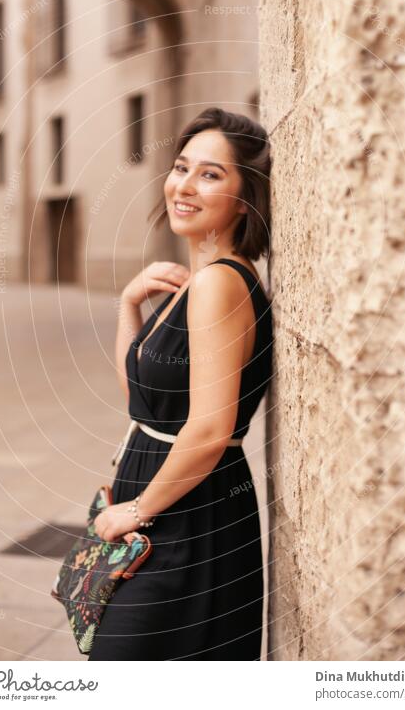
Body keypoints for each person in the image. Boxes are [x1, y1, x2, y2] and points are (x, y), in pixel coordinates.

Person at [88, 106, 273, 661]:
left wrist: (135, 511)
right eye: (180, 167)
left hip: (190, 517)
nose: (184, 186)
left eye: (210, 174)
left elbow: (213, 427)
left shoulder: (221, 284)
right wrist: (129, 304)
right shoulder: (192, 285)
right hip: (163, 498)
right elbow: (141, 403)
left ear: (245, 197)